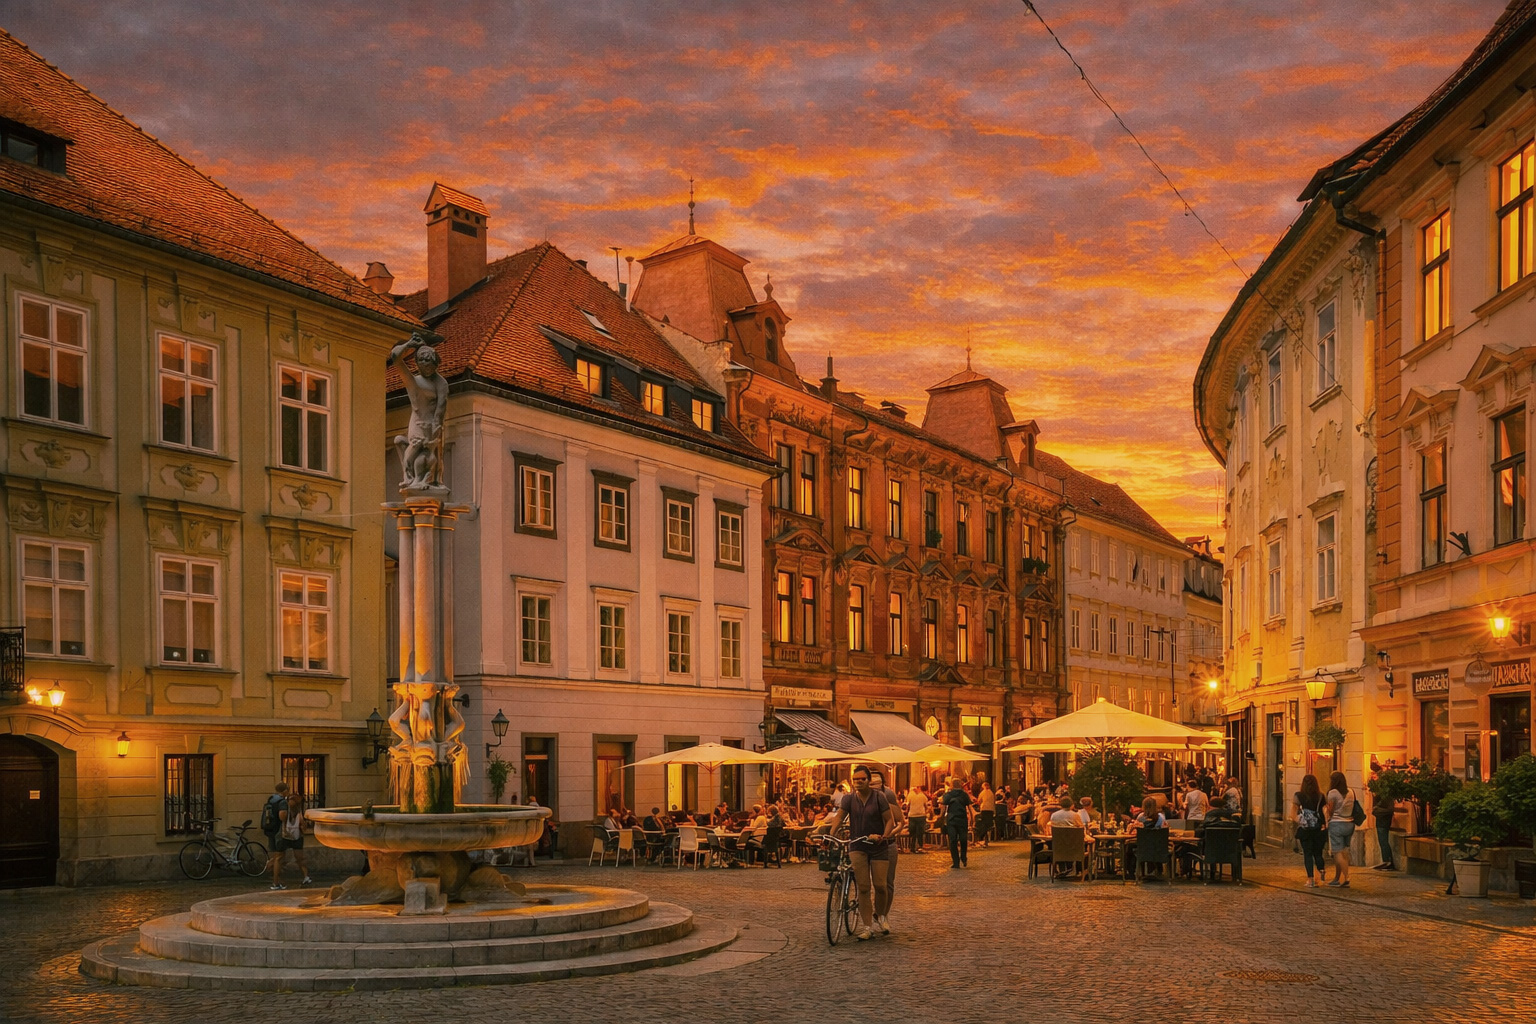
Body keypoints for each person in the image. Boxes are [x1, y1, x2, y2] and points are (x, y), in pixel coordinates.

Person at [822, 765, 896, 940]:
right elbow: (839, 816)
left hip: (878, 845)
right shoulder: (849, 799)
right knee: (863, 887)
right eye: (856, 780)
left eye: (862, 779)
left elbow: (890, 820)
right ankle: (867, 927)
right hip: (857, 845)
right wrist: (831, 833)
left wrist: (883, 836)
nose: (859, 782)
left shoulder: (879, 798)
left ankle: (882, 915)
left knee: (880, 885)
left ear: (869, 780)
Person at [1291, 773, 1328, 887]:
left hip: (1306, 829)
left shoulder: (1298, 795)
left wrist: (1299, 820)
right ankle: (1321, 869)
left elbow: (1293, 812)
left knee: (1307, 853)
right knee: (1318, 852)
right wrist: (1325, 824)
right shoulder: (1321, 796)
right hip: (1318, 827)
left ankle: (1310, 879)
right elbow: (1323, 811)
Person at [270, 793, 310, 890]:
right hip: (288, 836)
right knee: (281, 859)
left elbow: (302, 826)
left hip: (290, 836)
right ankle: (276, 882)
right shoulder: (290, 810)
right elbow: (283, 818)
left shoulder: (296, 812)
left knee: (283, 859)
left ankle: (305, 877)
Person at [1325, 770, 1357, 887]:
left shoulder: (1332, 793)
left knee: (1337, 852)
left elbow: (1331, 810)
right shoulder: (1351, 791)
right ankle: (1336, 878)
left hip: (1337, 824)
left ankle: (1347, 876)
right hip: (1349, 824)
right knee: (1343, 852)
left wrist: (1328, 811)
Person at [940, 777, 975, 869]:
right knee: (963, 839)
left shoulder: (948, 795)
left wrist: (941, 818)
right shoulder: (964, 795)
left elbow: (943, 808)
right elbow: (970, 808)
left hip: (951, 820)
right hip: (962, 819)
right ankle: (963, 857)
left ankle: (956, 862)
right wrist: (972, 819)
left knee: (953, 840)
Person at [1372, 788, 1398, 871]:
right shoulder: (1381, 798)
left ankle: (1388, 861)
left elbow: (1389, 810)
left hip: (1383, 823)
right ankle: (1386, 860)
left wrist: (1377, 810)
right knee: (1382, 842)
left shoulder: (1386, 798)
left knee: (1384, 842)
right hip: (1381, 823)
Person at [260, 781, 290, 853]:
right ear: (285, 791)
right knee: (280, 854)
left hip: (270, 828)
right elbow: (282, 816)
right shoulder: (282, 801)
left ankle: (270, 864)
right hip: (278, 829)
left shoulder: (271, 799)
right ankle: (275, 864)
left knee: (273, 852)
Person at [905, 785, 929, 853]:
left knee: (912, 832)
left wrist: (907, 813)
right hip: (921, 815)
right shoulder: (923, 796)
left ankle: (912, 847)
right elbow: (926, 806)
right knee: (920, 832)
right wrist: (925, 812)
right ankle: (919, 847)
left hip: (912, 816)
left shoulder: (910, 795)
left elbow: (908, 805)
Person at [975, 781, 996, 848]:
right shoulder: (992, 793)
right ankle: (985, 839)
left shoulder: (982, 793)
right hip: (991, 810)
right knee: (988, 825)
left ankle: (981, 838)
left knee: (983, 824)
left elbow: (978, 801)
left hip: (984, 809)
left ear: (983, 787)